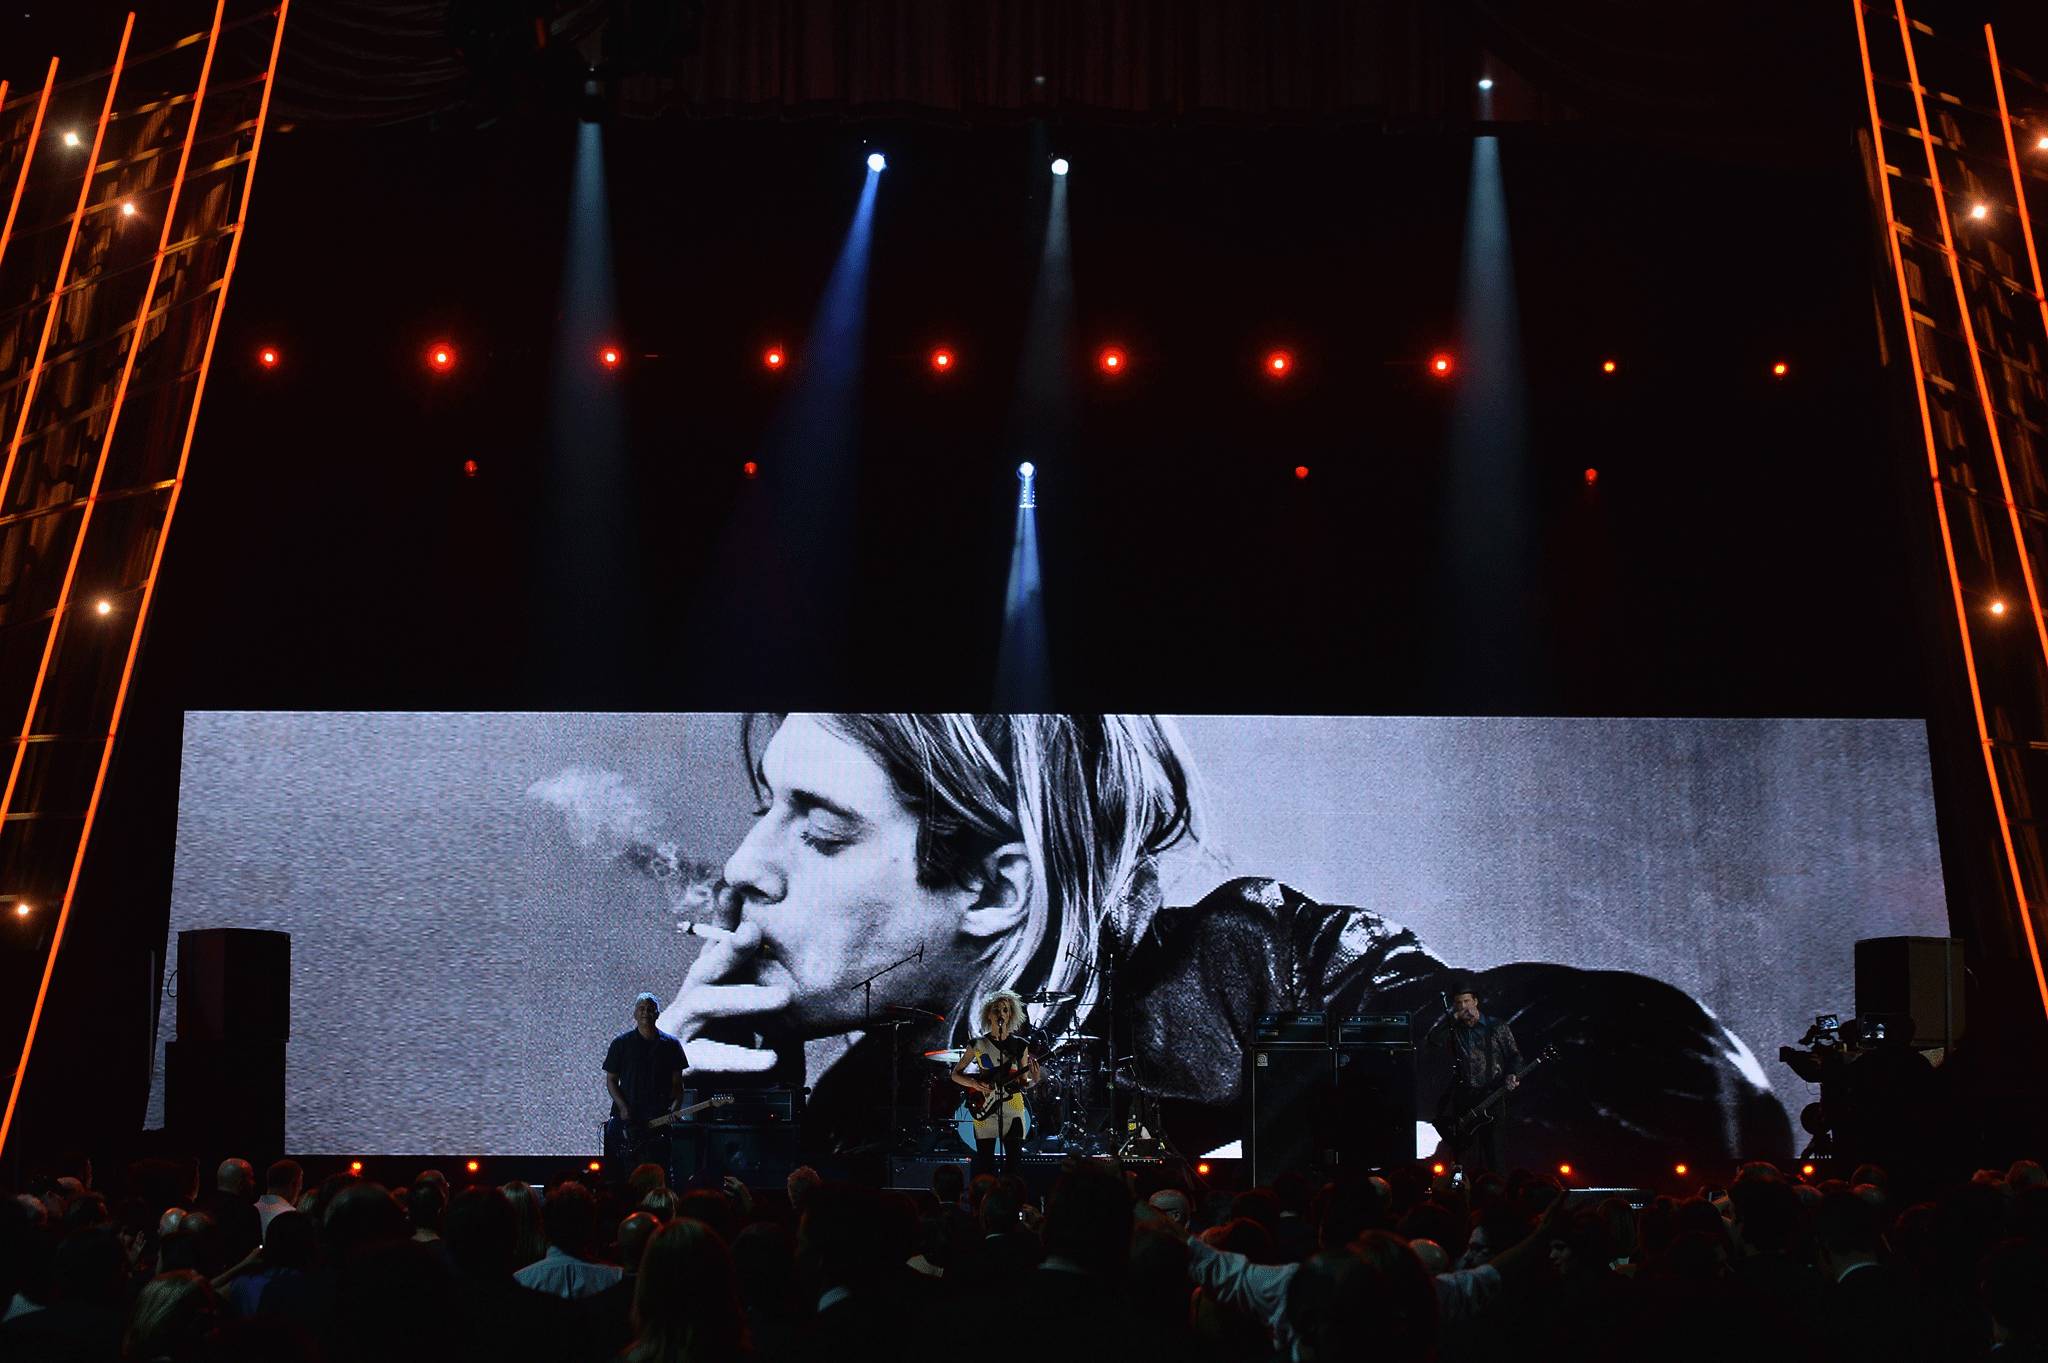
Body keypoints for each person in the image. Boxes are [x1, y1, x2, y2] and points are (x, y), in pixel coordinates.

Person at [658, 713, 1791, 1163]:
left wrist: (1306, 1194)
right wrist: (708, 1122)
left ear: (995, 888)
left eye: (813, 826)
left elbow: (1646, 1061)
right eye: (764, 806)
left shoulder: (1256, 965)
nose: (746, 867)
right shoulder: (862, 1103)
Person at [1427, 977, 1522, 1174]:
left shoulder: (1496, 1027)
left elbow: (1514, 1055)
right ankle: (1460, 1196)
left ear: (1475, 1001)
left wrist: (1512, 1074)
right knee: (1462, 1155)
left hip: (1492, 1096)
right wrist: (1451, 1020)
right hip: (1464, 1097)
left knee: (1494, 1154)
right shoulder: (1455, 1030)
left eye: (1467, 1001)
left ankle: (1497, 1194)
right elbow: (1433, 1041)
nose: (1464, 1007)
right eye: (1459, 1003)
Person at [949, 989, 1042, 1178]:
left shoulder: (1020, 1045)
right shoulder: (978, 1044)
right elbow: (955, 1075)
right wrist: (974, 1084)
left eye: (1005, 1010)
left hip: (1013, 1106)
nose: (1001, 1014)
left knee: (1014, 1164)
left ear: (1011, 1015)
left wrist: (1035, 1079)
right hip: (986, 1108)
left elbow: (1024, 1082)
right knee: (985, 1164)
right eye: (997, 1010)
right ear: (988, 1014)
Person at [604, 993, 687, 1169]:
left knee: (659, 1168)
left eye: (650, 1009)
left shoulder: (671, 1045)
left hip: (658, 1119)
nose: (645, 1013)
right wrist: (623, 1107)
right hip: (629, 1120)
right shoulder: (621, 1044)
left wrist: (676, 1106)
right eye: (641, 1009)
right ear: (635, 1013)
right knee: (625, 1171)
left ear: (657, 1014)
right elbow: (611, 1080)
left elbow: (678, 1083)